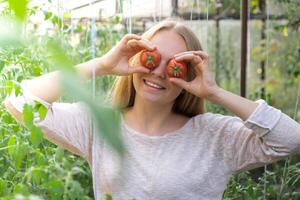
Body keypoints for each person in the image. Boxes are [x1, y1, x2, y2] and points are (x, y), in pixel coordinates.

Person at [4, 19, 300, 200]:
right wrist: (103, 65)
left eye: (175, 65)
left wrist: (214, 92)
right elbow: (19, 102)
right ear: (136, 57)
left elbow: (290, 139)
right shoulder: (100, 125)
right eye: (151, 57)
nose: (158, 72)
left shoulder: (214, 135)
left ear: (188, 75)